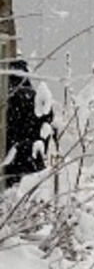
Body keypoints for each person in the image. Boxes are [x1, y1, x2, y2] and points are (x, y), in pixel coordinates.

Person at [3, 58, 54, 189]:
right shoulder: (38, 98)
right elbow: (47, 126)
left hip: (10, 161)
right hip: (33, 161)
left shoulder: (7, 99)